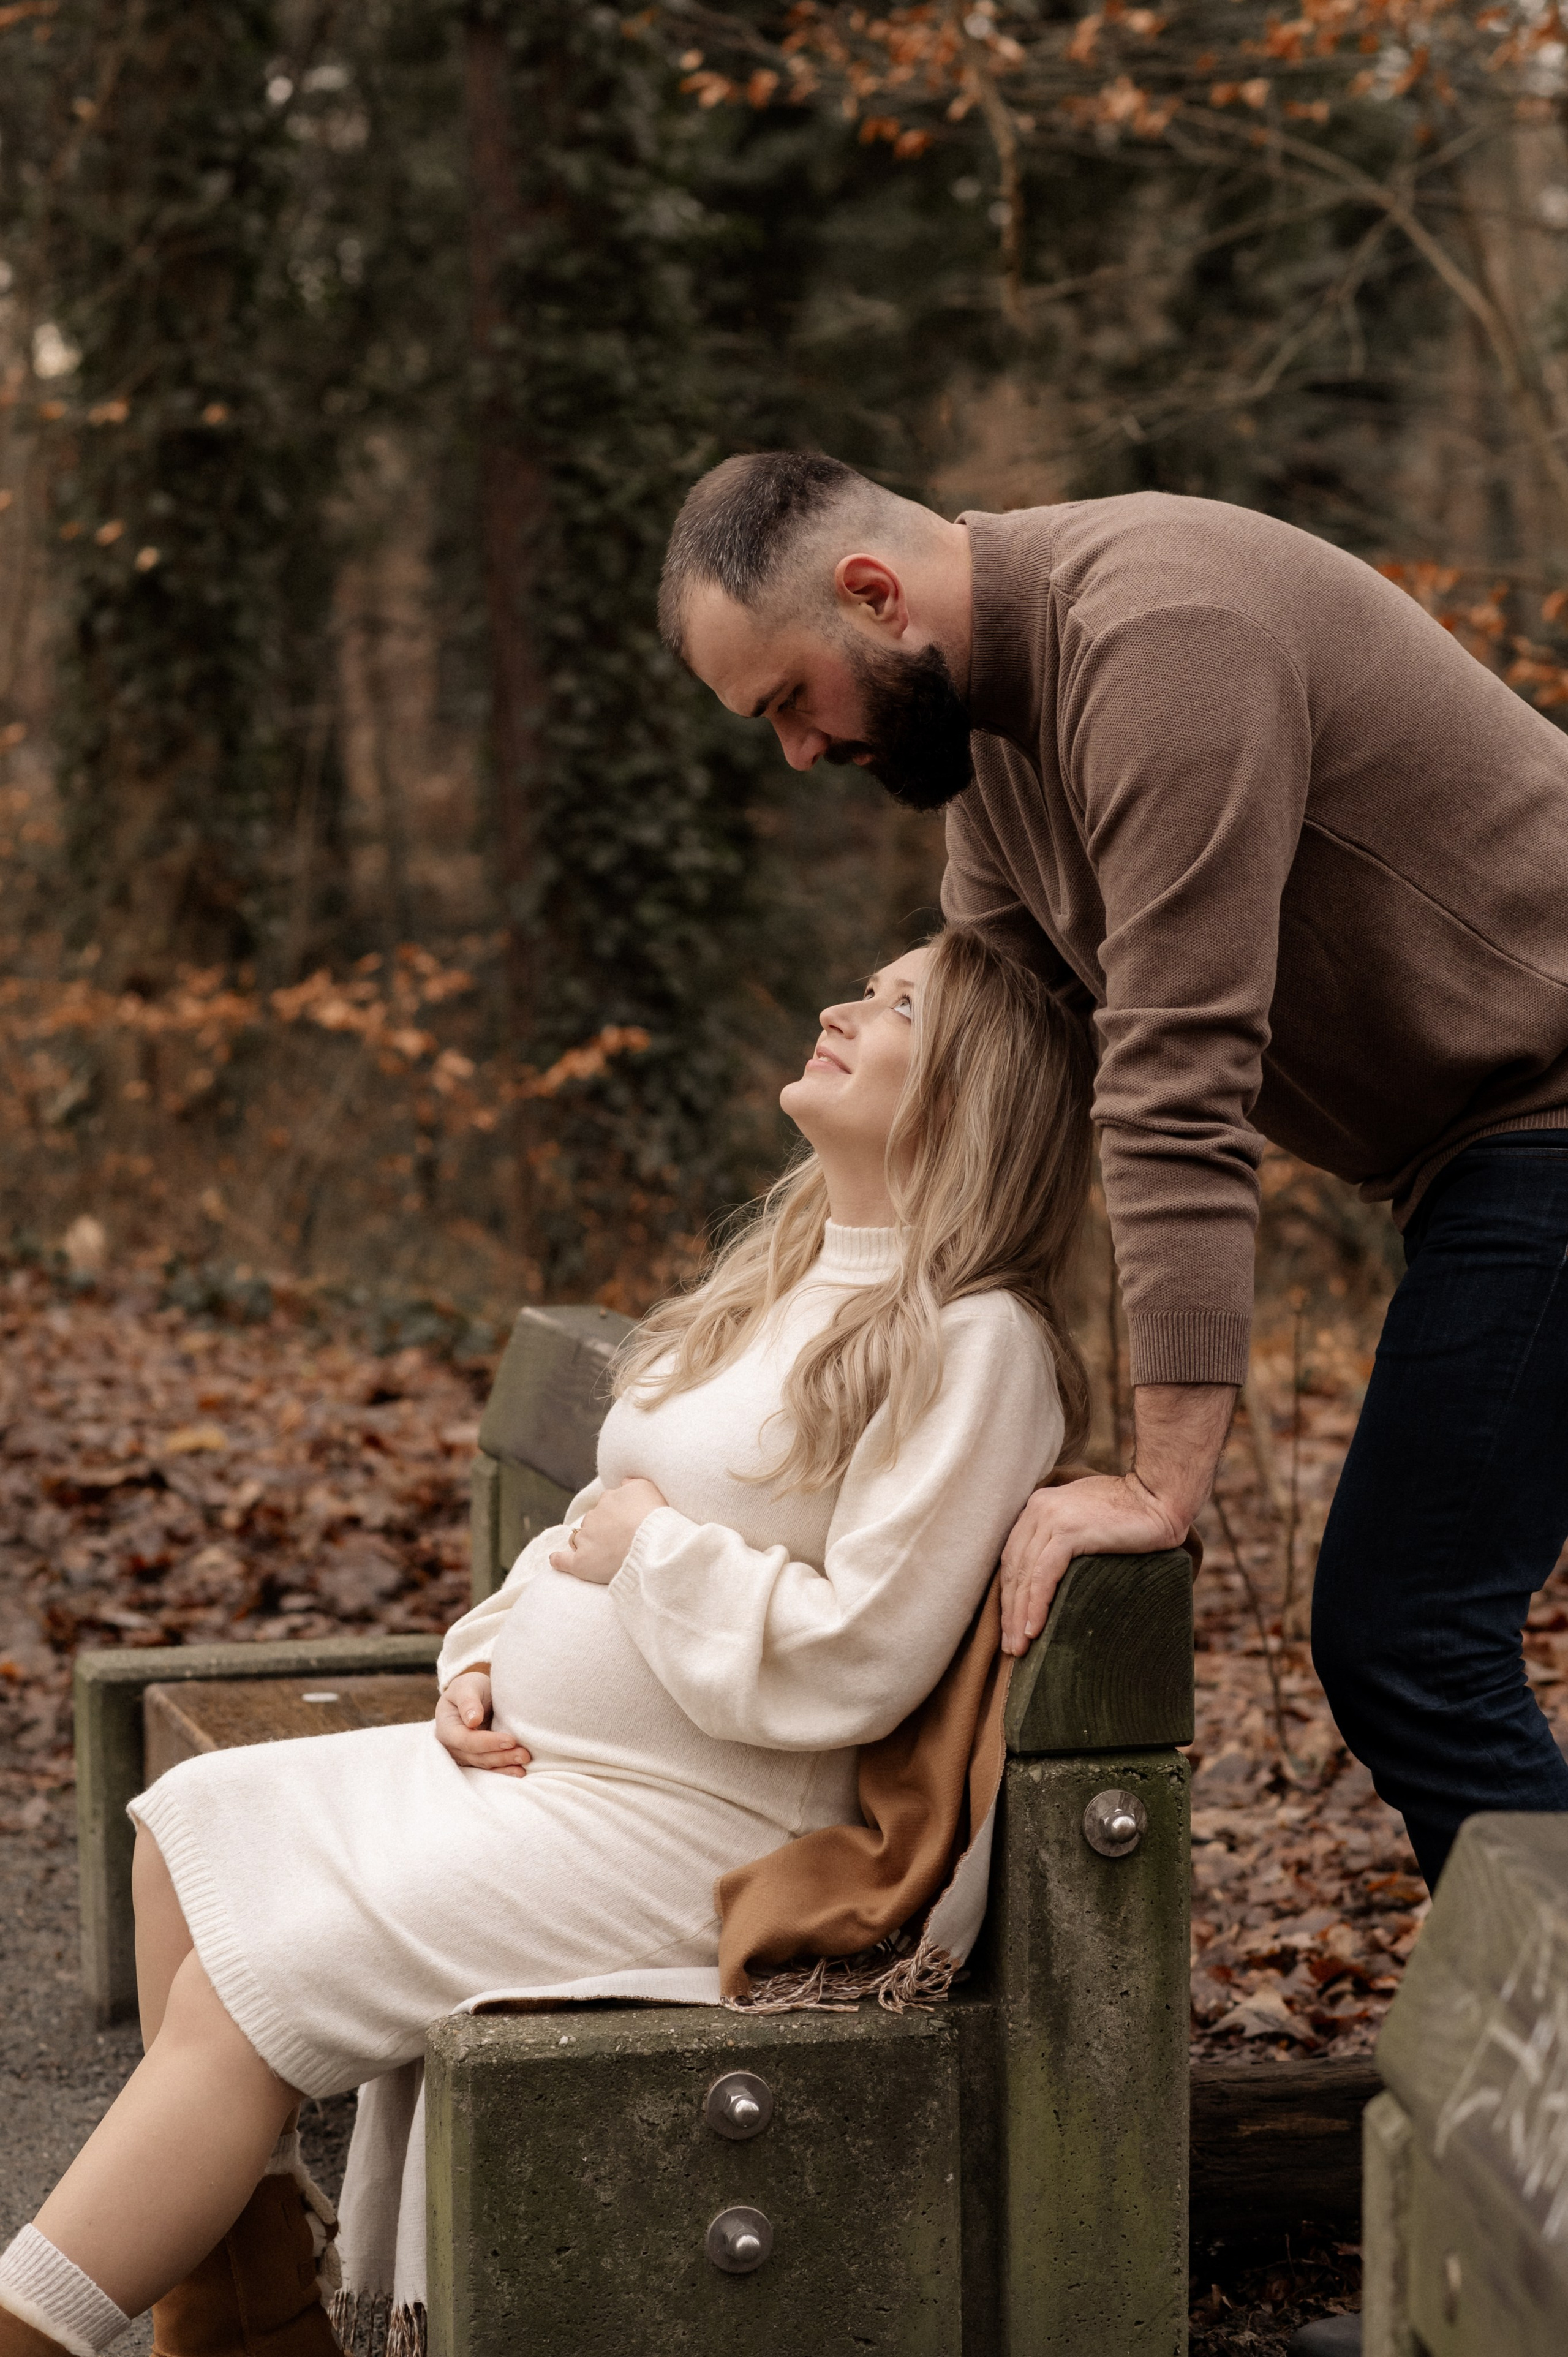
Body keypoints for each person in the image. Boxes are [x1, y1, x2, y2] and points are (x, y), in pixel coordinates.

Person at [0, 929, 1091, 2357]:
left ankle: (40, 2323)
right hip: (551, 1774)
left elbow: (859, 1656)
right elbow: (589, 1520)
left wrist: (651, 1553)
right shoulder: (781, 1280)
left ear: (976, 1088)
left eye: (893, 1003)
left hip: (706, 1835)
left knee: (253, 1983)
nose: (838, 1005)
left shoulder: (975, 1340)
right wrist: (482, 1657)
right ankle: (255, 2312)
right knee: (190, 1825)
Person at [660, 448, 1568, 1896]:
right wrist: (882, 1378)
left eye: (786, 700)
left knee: (1408, 1631)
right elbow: (993, 1073)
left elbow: (1174, 1071)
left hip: (1545, 1119)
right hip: (1485, 1152)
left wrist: (1158, 1480)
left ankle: (1537, 2075)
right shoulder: (997, 767)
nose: (798, 752)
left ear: (874, 594)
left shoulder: (1161, 636)